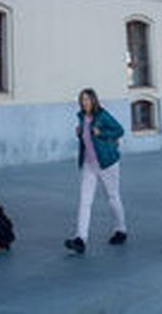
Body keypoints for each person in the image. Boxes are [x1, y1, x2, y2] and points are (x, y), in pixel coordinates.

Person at [64, 88, 127, 255]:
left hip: (107, 163)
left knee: (112, 197)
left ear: (93, 100)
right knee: (84, 201)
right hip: (89, 164)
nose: (85, 102)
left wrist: (102, 133)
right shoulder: (82, 117)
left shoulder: (103, 115)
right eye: (82, 100)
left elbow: (119, 131)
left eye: (87, 99)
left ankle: (121, 230)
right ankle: (80, 239)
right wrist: (80, 134)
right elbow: (88, 140)